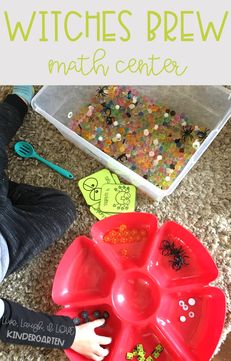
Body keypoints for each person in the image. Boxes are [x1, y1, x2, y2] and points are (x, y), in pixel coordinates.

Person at [0, 86, 111, 361]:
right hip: (11, 237)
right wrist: (70, 335)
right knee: (61, 207)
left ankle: (18, 102)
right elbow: (9, 322)